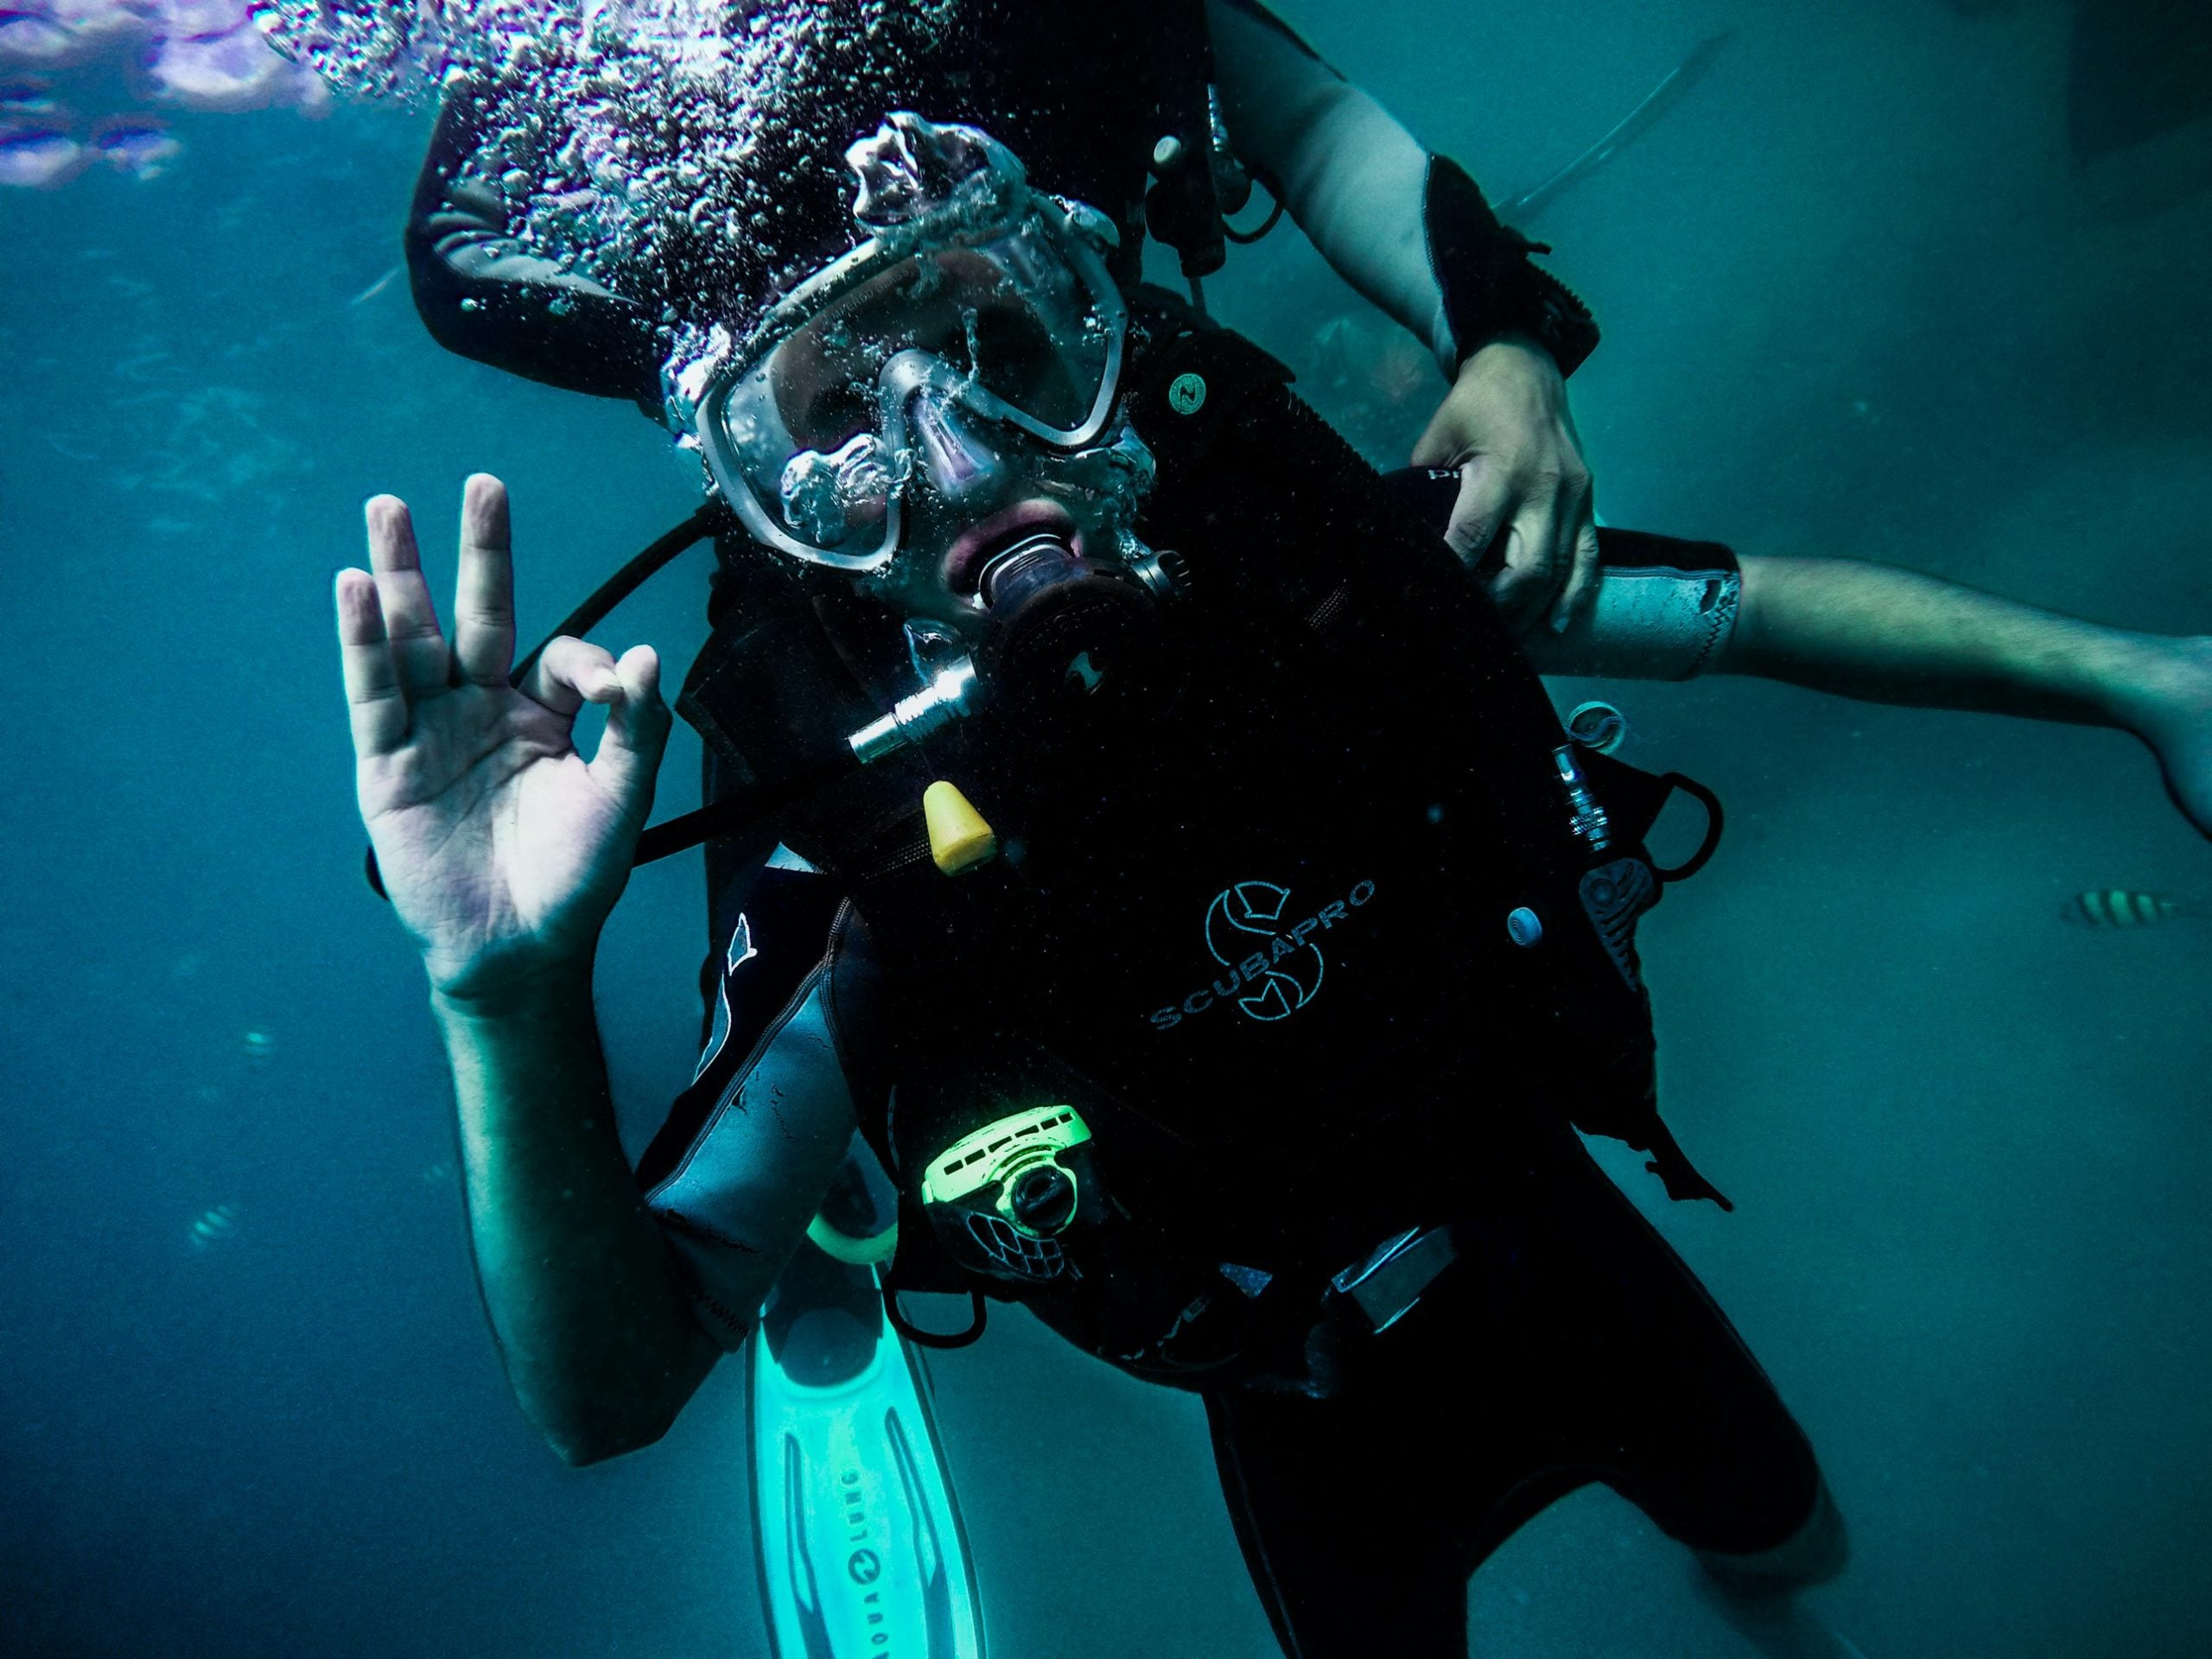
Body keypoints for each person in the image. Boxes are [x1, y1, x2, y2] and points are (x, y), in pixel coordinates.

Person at [343, 10, 2212, 1656]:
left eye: (1005, 347)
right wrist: (497, 993)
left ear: (1097, 320)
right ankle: (828, 1221)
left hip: (1545, 1237)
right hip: (1283, 1375)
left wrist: (2149, 680)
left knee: (1793, 1548)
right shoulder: (847, 835)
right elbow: (603, 1399)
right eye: (843, 437)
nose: (970, 467)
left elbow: (1736, 604)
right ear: (769, 505)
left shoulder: (1308, 562)